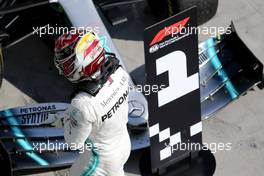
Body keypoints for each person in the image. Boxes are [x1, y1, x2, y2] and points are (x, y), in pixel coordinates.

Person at [54, 31, 131, 176]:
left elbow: (74, 142)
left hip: (99, 163)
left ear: (80, 62)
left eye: (67, 63)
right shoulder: (120, 73)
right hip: (123, 146)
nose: (62, 69)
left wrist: (67, 120)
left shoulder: (82, 104)